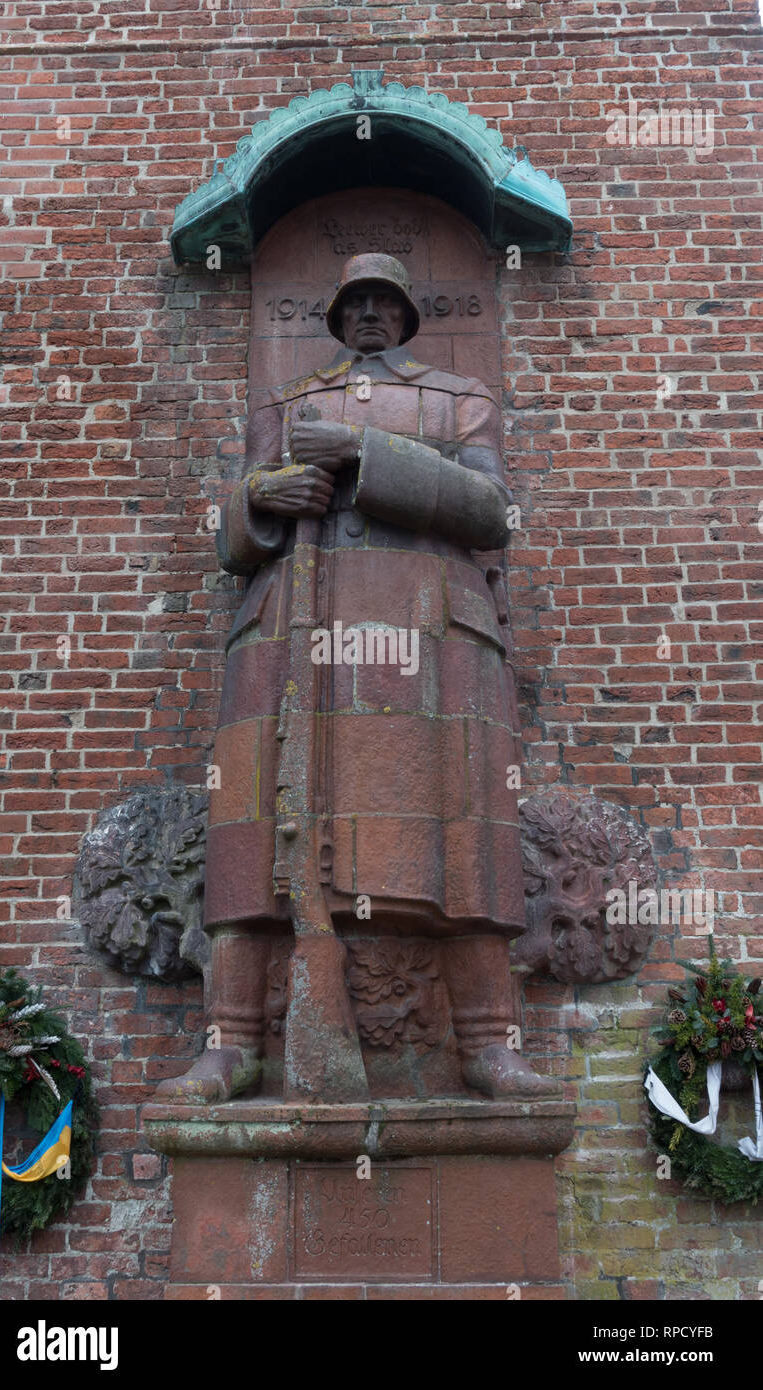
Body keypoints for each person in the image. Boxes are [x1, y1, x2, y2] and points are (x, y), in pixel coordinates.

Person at [156, 253, 560, 1103]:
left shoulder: (459, 399)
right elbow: (232, 540)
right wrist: (268, 495)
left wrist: (362, 453)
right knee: (257, 833)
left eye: (385, 302)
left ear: (407, 315)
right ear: (338, 316)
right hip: (290, 635)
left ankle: (488, 1043)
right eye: (355, 303)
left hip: (430, 635)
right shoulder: (284, 404)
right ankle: (233, 1042)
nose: (370, 314)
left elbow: (492, 513)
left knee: (461, 832)